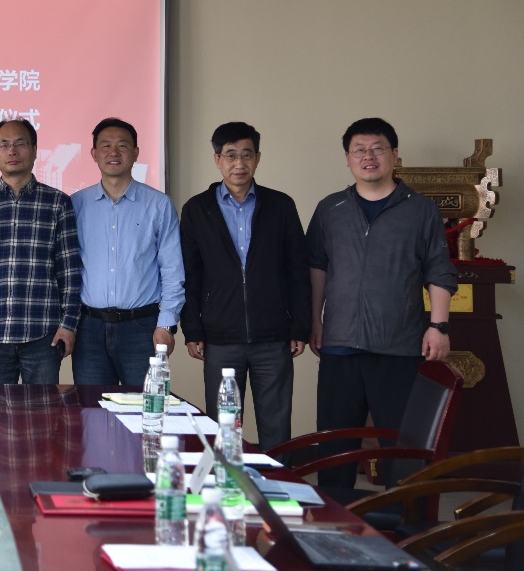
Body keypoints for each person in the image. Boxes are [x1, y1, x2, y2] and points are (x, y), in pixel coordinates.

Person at [307, 117, 458, 488]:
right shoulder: (330, 208)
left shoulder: (420, 209)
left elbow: (439, 269)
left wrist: (438, 326)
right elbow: (317, 267)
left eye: (377, 148)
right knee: (335, 446)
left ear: (395, 155)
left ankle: (406, 519)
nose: (368, 156)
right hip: (340, 345)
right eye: (359, 150)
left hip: (398, 347)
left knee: (401, 449)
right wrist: (315, 321)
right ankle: (333, 516)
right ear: (347, 158)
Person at [179, 122, 311, 449]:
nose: (239, 163)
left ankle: (276, 481)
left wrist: (300, 326)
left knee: (276, 427)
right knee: (224, 430)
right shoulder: (197, 209)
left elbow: (297, 269)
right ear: (217, 159)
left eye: (247, 155)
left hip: (273, 338)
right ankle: (227, 481)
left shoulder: (280, 205)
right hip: (220, 338)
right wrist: (192, 329)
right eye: (230, 155)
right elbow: (190, 274)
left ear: (258, 158)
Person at [0, 118, 81, 384]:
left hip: (44, 334)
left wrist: (69, 323)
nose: (12, 151)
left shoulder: (57, 202)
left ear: (35, 150)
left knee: (43, 409)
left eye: (20, 144)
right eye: (4, 145)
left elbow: (69, 271)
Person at [70, 117, 184, 386]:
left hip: (142, 328)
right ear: (94, 154)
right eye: (106, 145)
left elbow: (172, 269)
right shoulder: (75, 204)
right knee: (92, 408)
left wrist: (166, 325)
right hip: (89, 328)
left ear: (136, 153)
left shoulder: (158, 205)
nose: (114, 152)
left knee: (146, 407)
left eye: (122, 146)